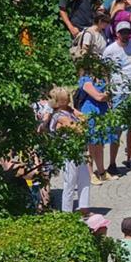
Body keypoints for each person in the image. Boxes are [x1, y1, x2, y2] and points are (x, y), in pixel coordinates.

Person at [103, 21, 131, 175]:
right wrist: (108, 91)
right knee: (117, 128)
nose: (125, 35)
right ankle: (112, 162)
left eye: (127, 32)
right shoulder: (110, 51)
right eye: (122, 32)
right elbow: (106, 72)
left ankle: (130, 158)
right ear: (117, 33)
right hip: (118, 92)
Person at [48, 87, 90, 215]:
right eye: (65, 98)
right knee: (70, 182)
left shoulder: (69, 111)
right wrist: (80, 122)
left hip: (78, 149)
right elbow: (78, 129)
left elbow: (85, 118)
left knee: (85, 178)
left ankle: (84, 207)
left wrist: (78, 117)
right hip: (68, 152)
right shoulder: (59, 116)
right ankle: (67, 212)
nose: (68, 100)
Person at [77, 63, 115, 184]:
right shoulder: (86, 80)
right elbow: (98, 96)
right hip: (90, 114)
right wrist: (107, 95)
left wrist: (107, 95)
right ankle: (90, 174)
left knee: (99, 144)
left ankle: (102, 172)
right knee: (90, 146)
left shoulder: (102, 79)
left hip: (102, 113)